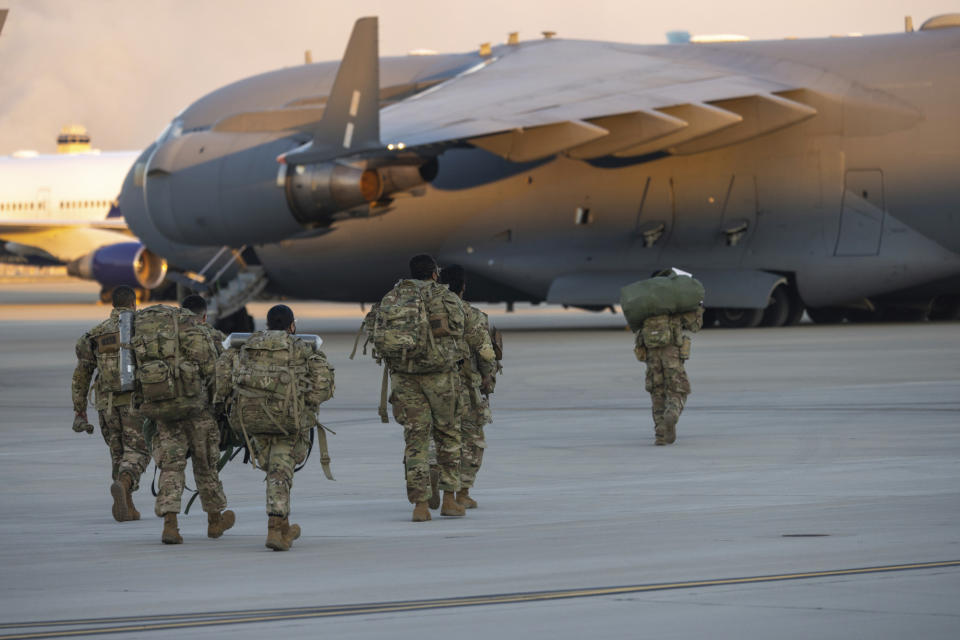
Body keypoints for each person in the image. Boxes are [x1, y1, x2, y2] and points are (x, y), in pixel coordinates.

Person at [216, 304, 335, 551]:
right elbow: (323, 386)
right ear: (292, 326)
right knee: (280, 474)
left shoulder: (247, 346)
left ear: (268, 324)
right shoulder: (301, 348)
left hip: (252, 423)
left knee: (275, 473)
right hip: (288, 424)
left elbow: (222, 381)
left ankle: (284, 526)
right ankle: (274, 529)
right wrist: (307, 403)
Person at [132, 302, 235, 544]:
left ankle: (170, 525)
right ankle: (214, 521)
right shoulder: (196, 331)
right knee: (206, 466)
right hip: (197, 410)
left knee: (171, 467)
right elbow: (213, 371)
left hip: (164, 410)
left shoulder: (158, 335)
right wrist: (218, 404)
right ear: (203, 315)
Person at [375, 254, 466, 522]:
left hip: (405, 376)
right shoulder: (446, 296)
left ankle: (421, 506)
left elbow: (377, 330)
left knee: (415, 441)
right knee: (448, 435)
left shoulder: (392, 297)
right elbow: (459, 328)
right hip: (440, 376)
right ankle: (449, 499)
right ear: (434, 273)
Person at [71, 285, 150, 522]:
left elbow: (81, 375)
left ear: (113, 305)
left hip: (106, 407)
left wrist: (80, 410)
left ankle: (126, 506)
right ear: (134, 304)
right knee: (138, 451)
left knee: (118, 453)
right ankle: (125, 485)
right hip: (134, 404)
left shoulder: (96, 334)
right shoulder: (141, 330)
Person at [438, 265, 497, 508]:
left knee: (436, 437)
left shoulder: (424, 312)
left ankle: (433, 483)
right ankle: (461, 493)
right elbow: (486, 354)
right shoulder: (472, 314)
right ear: (463, 287)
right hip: (465, 387)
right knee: (471, 440)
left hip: (431, 386)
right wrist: (487, 381)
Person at [633, 270, 704, 445]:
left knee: (657, 390)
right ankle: (672, 413)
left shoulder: (647, 303)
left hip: (651, 353)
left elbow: (635, 324)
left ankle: (660, 433)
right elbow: (695, 325)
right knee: (678, 389)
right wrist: (698, 307)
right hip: (671, 351)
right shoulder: (676, 302)